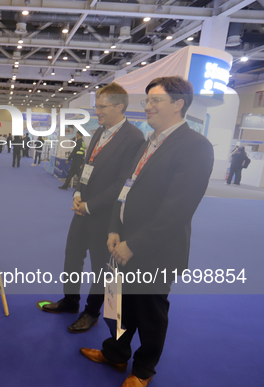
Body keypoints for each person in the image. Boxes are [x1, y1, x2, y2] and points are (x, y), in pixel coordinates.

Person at [80, 76, 214, 387]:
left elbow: (178, 209)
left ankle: (143, 371)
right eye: (148, 100)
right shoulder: (151, 140)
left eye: (156, 101)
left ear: (178, 105)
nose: (148, 106)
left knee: (151, 313)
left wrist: (134, 244)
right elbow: (126, 188)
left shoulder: (195, 147)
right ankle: (115, 353)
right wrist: (115, 228)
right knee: (120, 307)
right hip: (122, 242)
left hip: (156, 250)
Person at [41, 83, 145, 336]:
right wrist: (78, 193)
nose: (96, 111)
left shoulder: (134, 138)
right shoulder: (100, 131)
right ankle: (70, 300)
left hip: (106, 217)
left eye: (101, 106)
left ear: (119, 107)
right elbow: (88, 166)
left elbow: (123, 182)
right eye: (96, 106)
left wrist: (91, 205)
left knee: (100, 267)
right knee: (72, 256)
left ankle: (91, 312)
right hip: (82, 210)